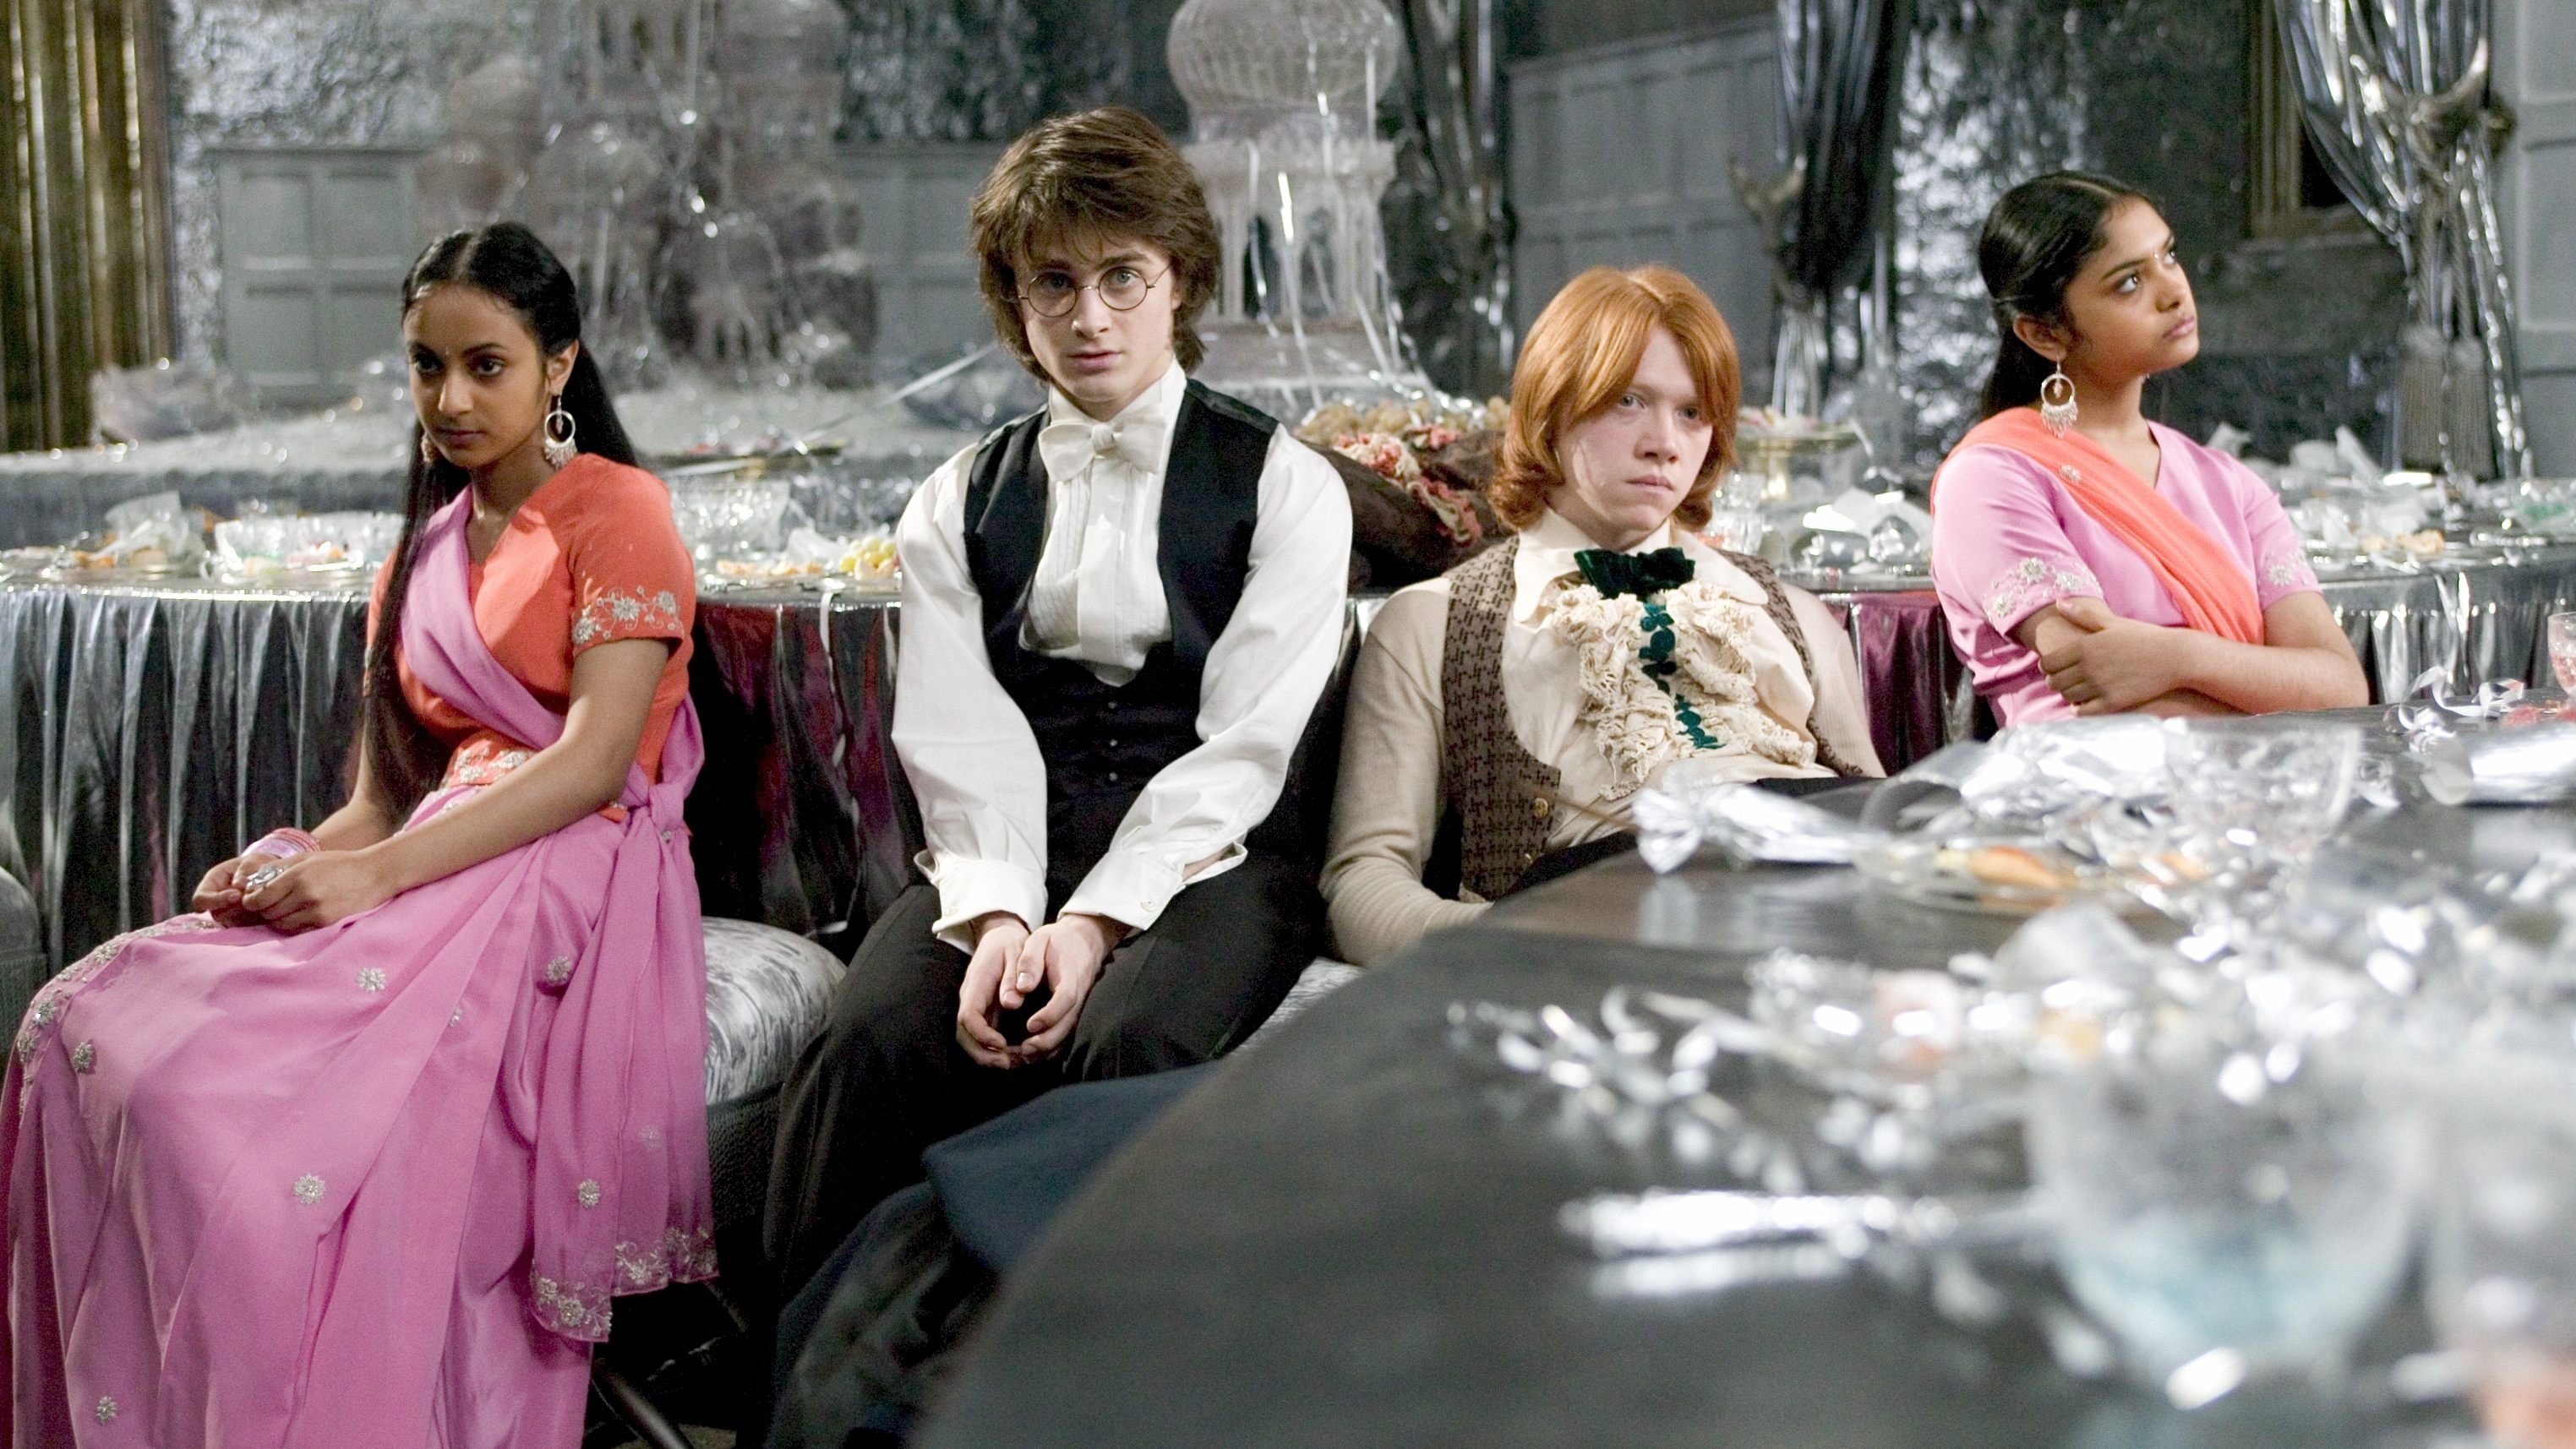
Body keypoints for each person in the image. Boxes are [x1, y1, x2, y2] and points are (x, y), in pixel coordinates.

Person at [3, 221, 709, 1444]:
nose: (452, 398)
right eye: (428, 366)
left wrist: (374, 875)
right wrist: (293, 861)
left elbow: (595, 760)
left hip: (574, 856)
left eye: (486, 365)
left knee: (261, 1138)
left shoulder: (617, 510)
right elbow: (382, 798)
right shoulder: (420, 553)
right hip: (438, 843)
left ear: (558, 364)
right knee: (88, 1023)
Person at [762, 107, 1352, 1297]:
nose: (1090, 317)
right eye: (1055, 283)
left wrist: (1092, 927)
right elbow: (961, 736)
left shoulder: (1286, 484)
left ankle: (1071, 1370)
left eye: (1122, 277)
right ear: (1015, 302)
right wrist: (996, 918)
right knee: (872, 1040)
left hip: (1215, 850)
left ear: (1179, 279)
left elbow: (1244, 750)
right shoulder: (956, 496)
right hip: (1010, 836)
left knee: (1129, 1040)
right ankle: (829, 1369)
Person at [1320, 265, 1882, 967]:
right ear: (1553, 408)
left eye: (1692, 412)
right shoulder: (1435, 623)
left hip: (1827, 882)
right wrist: (1521, 938)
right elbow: (1360, 885)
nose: (1664, 442)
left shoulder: (1793, 612)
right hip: (1621, 912)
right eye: (1628, 401)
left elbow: (1883, 815)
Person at [1929, 172, 2368, 724]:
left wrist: (2178, 656)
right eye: (2129, 282)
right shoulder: (1992, 478)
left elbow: (2341, 688)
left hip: (2255, 775)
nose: (2174, 291)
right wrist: (2269, 683)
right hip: (2087, 779)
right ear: (2045, 333)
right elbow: (2105, 686)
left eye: (2169, 256)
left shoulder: (2228, 483)